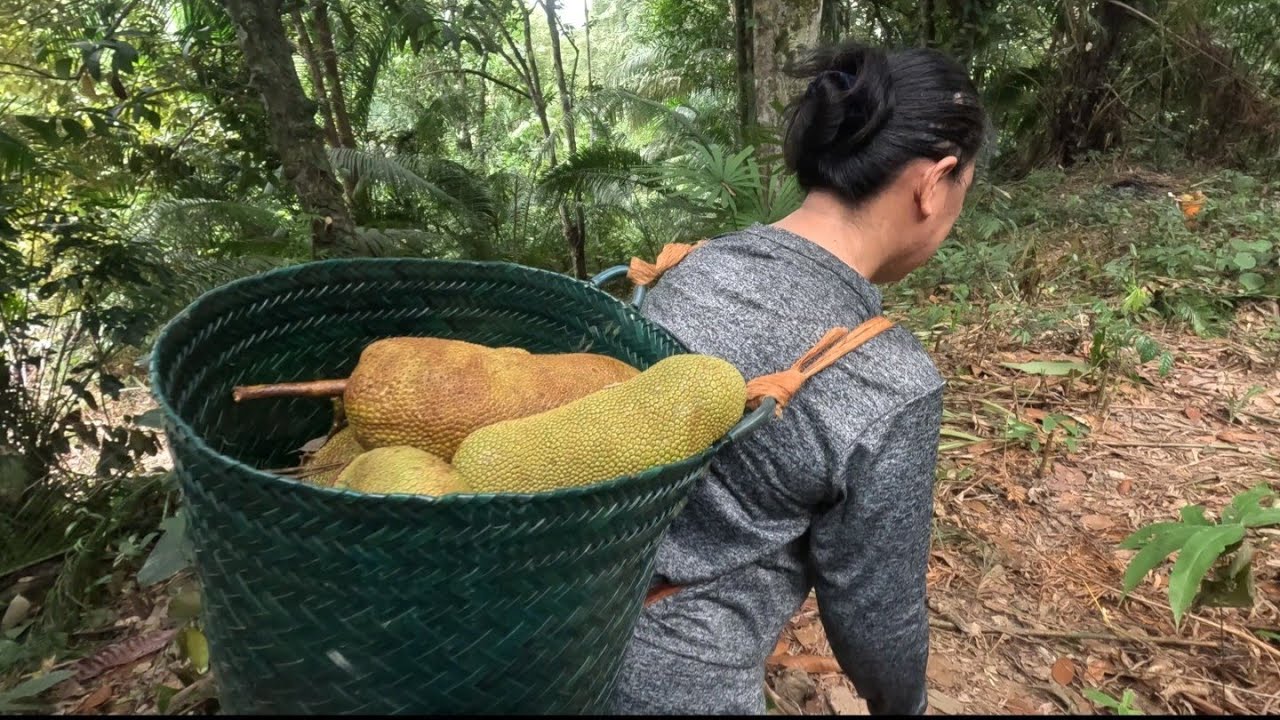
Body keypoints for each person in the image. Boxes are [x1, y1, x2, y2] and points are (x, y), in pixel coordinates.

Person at [608, 40, 989, 716]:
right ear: (933, 183)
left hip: (551, 633)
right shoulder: (886, 383)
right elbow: (877, 618)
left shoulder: (685, 267)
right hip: (680, 686)